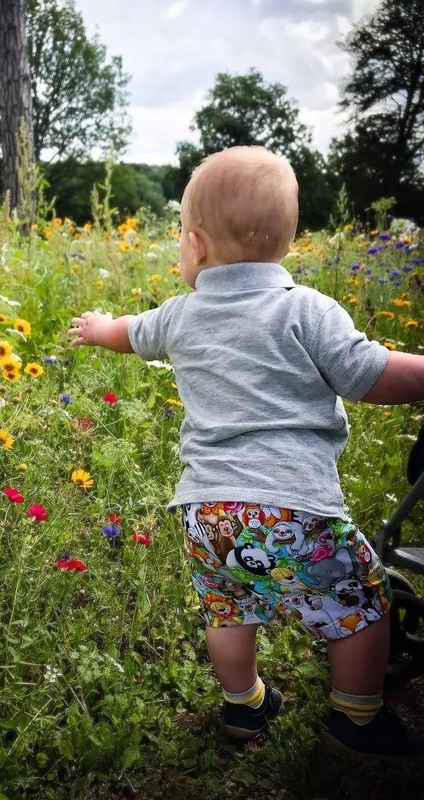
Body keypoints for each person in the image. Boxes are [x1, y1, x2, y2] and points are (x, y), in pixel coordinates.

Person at [68, 145, 424, 758]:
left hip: (208, 514)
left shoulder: (181, 315)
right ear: (287, 242)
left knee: (228, 608)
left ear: (197, 247)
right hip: (293, 509)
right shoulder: (307, 309)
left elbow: (130, 333)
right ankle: (357, 721)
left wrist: (98, 327)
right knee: (363, 602)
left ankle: (246, 705)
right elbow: (372, 374)